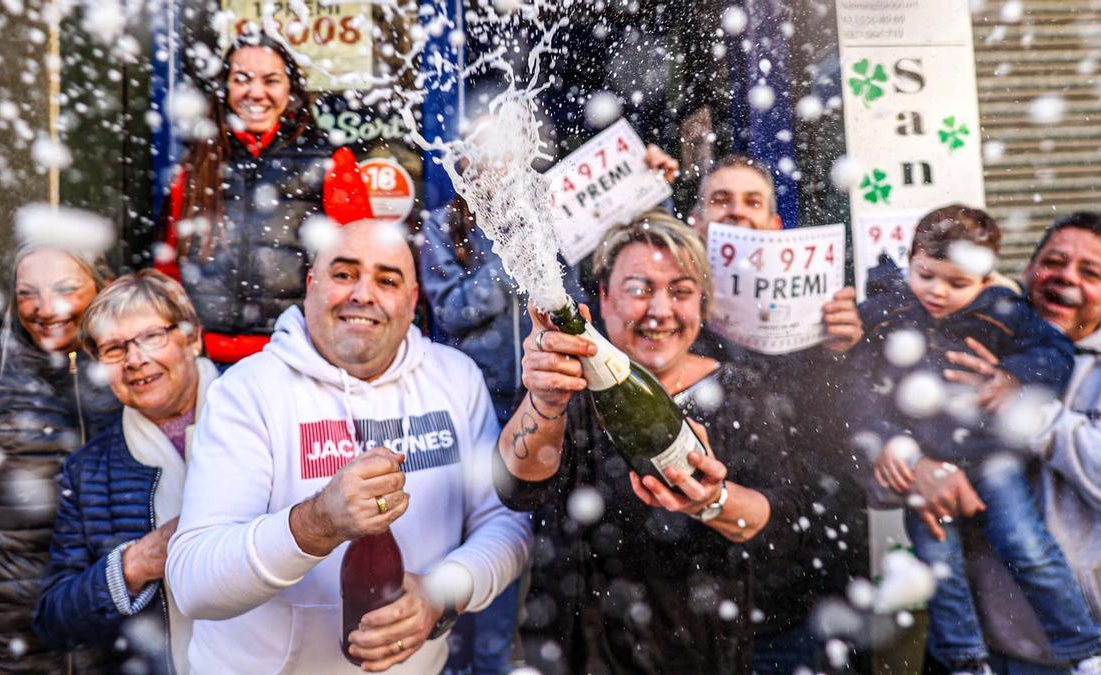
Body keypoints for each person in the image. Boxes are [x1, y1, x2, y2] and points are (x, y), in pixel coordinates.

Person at [165, 219, 531, 673]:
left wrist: (442, 593)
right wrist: (317, 523)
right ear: (311, 285)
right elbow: (193, 583)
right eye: (343, 274)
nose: (363, 293)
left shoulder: (455, 378)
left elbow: (505, 526)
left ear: (413, 300)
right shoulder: (248, 390)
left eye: (387, 280)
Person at [494, 211, 834, 673]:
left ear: (701, 305)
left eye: (680, 291)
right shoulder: (562, 381)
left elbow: (783, 525)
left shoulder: (742, 391)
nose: (659, 311)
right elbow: (518, 490)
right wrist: (544, 403)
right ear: (604, 296)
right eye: (639, 289)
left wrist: (714, 501)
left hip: (702, 651)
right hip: (580, 652)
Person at [420, 141, 677, 674]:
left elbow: (625, 258)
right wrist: (514, 248)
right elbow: (453, 308)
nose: (496, 163)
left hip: (558, 403)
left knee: (537, 543)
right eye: (482, 150)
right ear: (464, 166)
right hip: (484, 403)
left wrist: (653, 191)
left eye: (507, 151)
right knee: (477, 534)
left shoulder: (554, 215)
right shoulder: (441, 226)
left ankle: (516, 652)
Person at [853, 205, 1101, 675]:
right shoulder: (890, 310)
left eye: (957, 284)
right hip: (926, 466)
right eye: (926, 275)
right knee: (939, 566)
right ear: (911, 259)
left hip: (992, 460)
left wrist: (1014, 376)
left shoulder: (1002, 311)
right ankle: (965, 660)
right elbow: (850, 370)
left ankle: (1084, 650)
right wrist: (891, 439)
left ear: (985, 278)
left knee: (1029, 549)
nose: (937, 292)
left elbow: (1054, 351)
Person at [913, 212, 1101, 675]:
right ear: (1027, 273)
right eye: (1053, 262)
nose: (1066, 277)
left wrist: (1035, 412)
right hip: (985, 655)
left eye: (1089, 272)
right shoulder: (965, 347)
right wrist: (912, 468)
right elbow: (874, 441)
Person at [686, 154, 870, 673]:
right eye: (720, 201)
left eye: (752, 203)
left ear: (774, 226)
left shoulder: (825, 313)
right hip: (696, 577)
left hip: (797, 572)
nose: (736, 213)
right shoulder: (668, 313)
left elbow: (840, 431)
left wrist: (840, 352)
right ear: (696, 223)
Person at [33, 270, 218, 675]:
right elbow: (53, 621)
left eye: (153, 336)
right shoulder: (89, 470)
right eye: (114, 349)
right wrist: (133, 565)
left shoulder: (262, 416)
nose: (136, 360)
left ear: (192, 337)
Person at [156, 31, 373, 365]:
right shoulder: (196, 162)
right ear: (224, 88)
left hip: (294, 354)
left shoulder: (330, 159)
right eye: (242, 79)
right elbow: (168, 265)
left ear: (291, 89)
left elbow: (361, 262)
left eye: (271, 80)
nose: (256, 93)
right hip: (203, 358)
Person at [0, 244, 121, 673]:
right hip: (3, 638)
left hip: (106, 637)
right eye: (27, 293)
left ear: (102, 287)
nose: (45, 307)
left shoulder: (129, 371)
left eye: (65, 288)